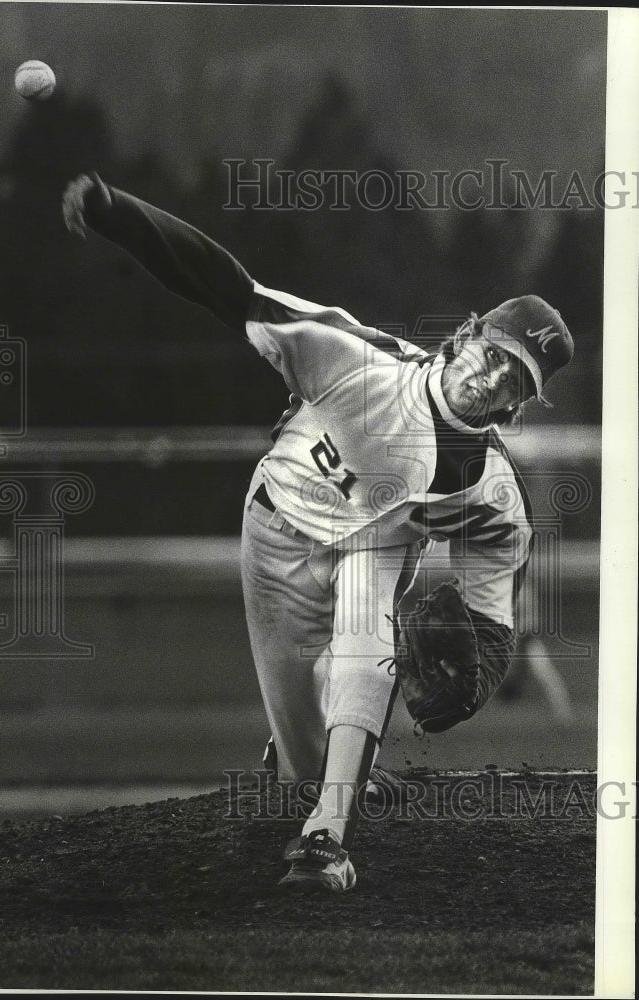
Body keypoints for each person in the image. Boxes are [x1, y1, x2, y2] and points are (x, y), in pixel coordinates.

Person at [62, 172, 574, 894]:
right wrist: (119, 213)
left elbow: (491, 625)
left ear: (520, 408)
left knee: (368, 646)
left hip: (376, 547)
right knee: (303, 769)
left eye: (515, 382)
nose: (493, 381)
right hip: (273, 530)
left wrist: (467, 685)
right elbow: (225, 285)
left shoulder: (493, 493)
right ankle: (319, 778)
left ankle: (326, 840)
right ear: (464, 338)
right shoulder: (353, 357)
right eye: (493, 356)